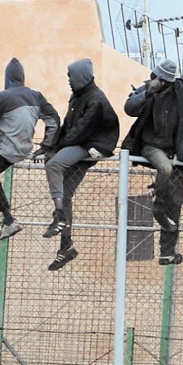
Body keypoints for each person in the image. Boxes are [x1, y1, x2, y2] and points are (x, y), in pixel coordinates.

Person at [38, 59, 121, 270]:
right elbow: (68, 126)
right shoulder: (78, 96)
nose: (68, 80)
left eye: (70, 76)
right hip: (81, 141)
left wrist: (55, 149)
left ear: (80, 76)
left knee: (54, 165)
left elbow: (80, 131)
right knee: (65, 192)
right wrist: (49, 145)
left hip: (92, 145)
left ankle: (59, 216)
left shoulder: (96, 98)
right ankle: (66, 247)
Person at [0, 58, 60, 250]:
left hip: (6, 150)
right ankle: (9, 220)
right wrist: (46, 144)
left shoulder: (2, 97)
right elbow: (54, 119)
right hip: (22, 149)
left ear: (7, 79)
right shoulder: (36, 96)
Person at [122, 59, 183, 266]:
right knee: (165, 168)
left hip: (174, 151)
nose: (153, 80)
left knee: (176, 200)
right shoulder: (147, 90)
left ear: (166, 81)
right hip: (151, 146)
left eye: (157, 78)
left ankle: (168, 252)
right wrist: (148, 92)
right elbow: (129, 108)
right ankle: (157, 207)